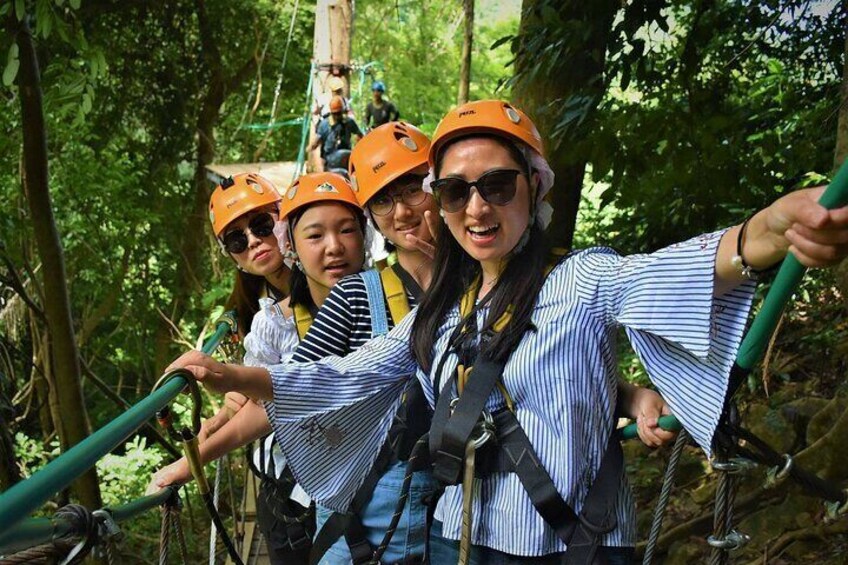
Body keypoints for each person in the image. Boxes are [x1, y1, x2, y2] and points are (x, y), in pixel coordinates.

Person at [165, 99, 848, 563]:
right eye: (456, 191)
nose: (477, 205)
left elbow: (693, 264)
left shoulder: (580, 281)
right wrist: (231, 375)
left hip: (564, 543)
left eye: (497, 184)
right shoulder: (443, 308)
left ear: (534, 185)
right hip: (452, 539)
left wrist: (774, 227)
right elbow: (344, 374)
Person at [150, 172, 367, 564]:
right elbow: (260, 383)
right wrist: (213, 423)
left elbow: (277, 391)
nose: (253, 241)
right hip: (293, 476)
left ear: (285, 226)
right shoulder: (264, 313)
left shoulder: (351, 289)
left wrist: (194, 459)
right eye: (238, 240)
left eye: (262, 226)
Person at [311, 95, 363, 172]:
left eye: (339, 113)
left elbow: (360, 135)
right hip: (330, 160)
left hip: (346, 159)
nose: (337, 116)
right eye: (335, 113)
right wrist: (313, 145)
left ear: (343, 111)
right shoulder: (324, 124)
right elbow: (316, 143)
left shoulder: (349, 122)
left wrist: (358, 146)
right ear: (331, 112)